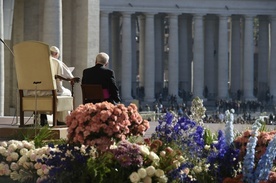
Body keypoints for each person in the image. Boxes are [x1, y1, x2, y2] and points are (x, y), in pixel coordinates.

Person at [27, 46, 78, 126]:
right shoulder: (57, 62)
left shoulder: (37, 62)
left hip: (35, 91)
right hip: (52, 91)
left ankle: (43, 118)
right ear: (56, 54)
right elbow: (69, 76)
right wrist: (72, 79)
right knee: (67, 92)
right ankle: (60, 120)